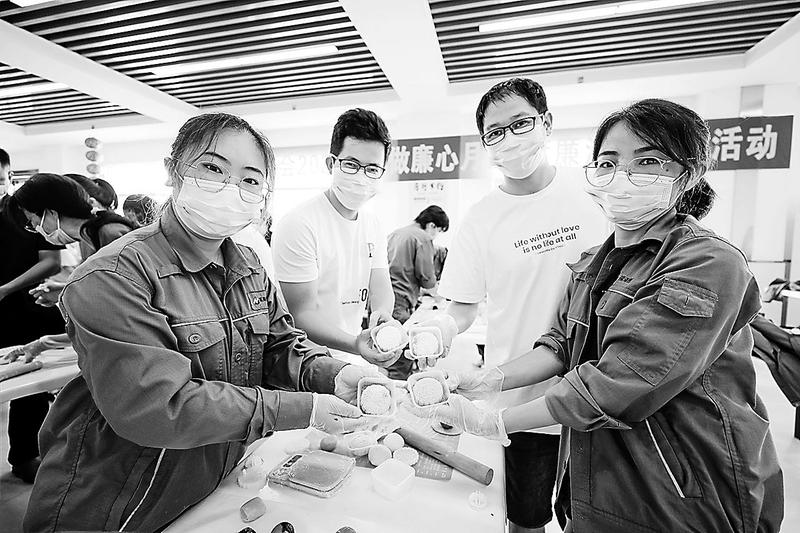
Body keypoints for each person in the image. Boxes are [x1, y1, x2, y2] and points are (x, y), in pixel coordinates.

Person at [429, 99, 784, 532]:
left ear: (688, 174)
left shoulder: (706, 263)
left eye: (648, 161)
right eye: (609, 162)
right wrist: (489, 379)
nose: (623, 176)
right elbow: (562, 346)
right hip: (601, 472)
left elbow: (615, 383)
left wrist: (495, 422)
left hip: (684, 484)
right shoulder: (593, 263)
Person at [24, 113, 377, 533]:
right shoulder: (114, 276)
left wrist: (334, 375)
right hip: (114, 505)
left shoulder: (247, 266)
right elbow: (159, 407)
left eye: (250, 179)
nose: (231, 188)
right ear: (173, 170)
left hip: (203, 487)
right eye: (212, 168)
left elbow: (279, 346)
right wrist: (307, 409)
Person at [430, 78, 607, 533]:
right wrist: (439, 330)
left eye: (521, 123)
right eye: (495, 132)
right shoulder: (481, 218)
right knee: (526, 520)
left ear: (546, 123)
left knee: (595, 517)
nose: (509, 138)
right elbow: (462, 308)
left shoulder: (596, 192)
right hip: (520, 398)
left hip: (604, 390)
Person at [272, 108, 401, 368]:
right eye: (351, 164)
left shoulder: (373, 224)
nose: (362, 177)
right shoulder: (300, 223)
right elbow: (301, 314)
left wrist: (382, 316)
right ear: (332, 164)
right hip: (305, 361)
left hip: (351, 355)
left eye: (372, 169)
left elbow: (381, 287)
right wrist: (356, 344)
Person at [3, 174, 138, 362]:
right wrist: (66, 291)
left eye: (32, 220)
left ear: (51, 213)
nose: (35, 227)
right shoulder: (88, 237)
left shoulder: (110, 235)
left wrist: (69, 294)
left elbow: (121, 313)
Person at [0, 149, 65, 483]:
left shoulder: (25, 212)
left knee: (30, 388)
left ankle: (26, 456)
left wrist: (6, 288)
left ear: (9, 176)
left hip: (28, 308)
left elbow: (51, 262)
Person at [385, 205, 449, 379]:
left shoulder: (395, 234)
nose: (436, 236)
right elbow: (427, 278)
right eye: (438, 231)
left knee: (387, 354)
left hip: (384, 300)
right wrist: (441, 296)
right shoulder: (423, 238)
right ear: (431, 225)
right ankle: (398, 392)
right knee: (401, 358)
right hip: (401, 301)